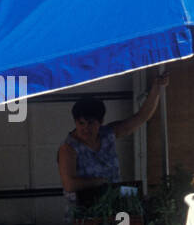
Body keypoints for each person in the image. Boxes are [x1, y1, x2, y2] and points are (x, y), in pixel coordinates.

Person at [58, 77, 169, 207]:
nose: (85, 128)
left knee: (144, 202)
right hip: (85, 209)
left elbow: (141, 117)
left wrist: (156, 88)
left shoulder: (107, 134)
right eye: (81, 123)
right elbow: (69, 184)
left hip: (114, 198)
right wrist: (100, 182)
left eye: (91, 123)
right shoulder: (68, 148)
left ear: (101, 121)